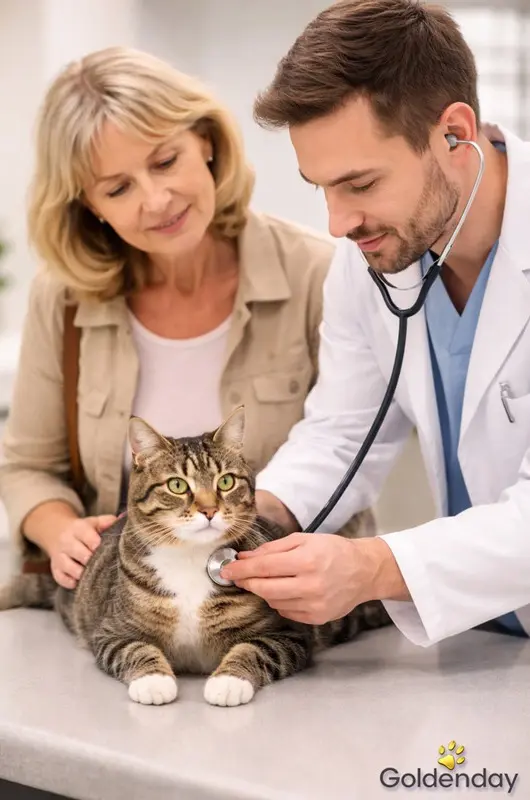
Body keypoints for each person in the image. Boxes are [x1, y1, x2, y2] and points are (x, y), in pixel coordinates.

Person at [0, 46, 375, 590]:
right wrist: (61, 531)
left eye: (164, 160)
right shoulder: (62, 300)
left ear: (205, 140)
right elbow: (27, 466)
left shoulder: (318, 273)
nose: (156, 200)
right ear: (89, 205)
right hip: (130, 614)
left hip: (281, 612)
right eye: (118, 188)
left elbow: (354, 449)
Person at [220, 0, 530, 646]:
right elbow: (340, 433)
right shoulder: (373, 260)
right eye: (322, 188)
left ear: (453, 132)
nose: (339, 222)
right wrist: (249, 520)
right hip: (487, 646)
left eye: (359, 183)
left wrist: (373, 567)